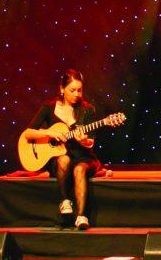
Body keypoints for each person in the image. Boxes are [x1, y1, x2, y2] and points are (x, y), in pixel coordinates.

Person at [20, 69, 101, 230]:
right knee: (63, 159)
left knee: (79, 169)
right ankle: (65, 202)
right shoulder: (48, 108)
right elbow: (28, 133)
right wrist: (50, 132)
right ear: (62, 89)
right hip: (58, 157)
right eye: (72, 90)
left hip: (82, 156)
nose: (77, 94)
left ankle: (81, 216)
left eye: (79, 90)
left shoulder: (87, 110)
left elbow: (91, 141)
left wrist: (83, 140)